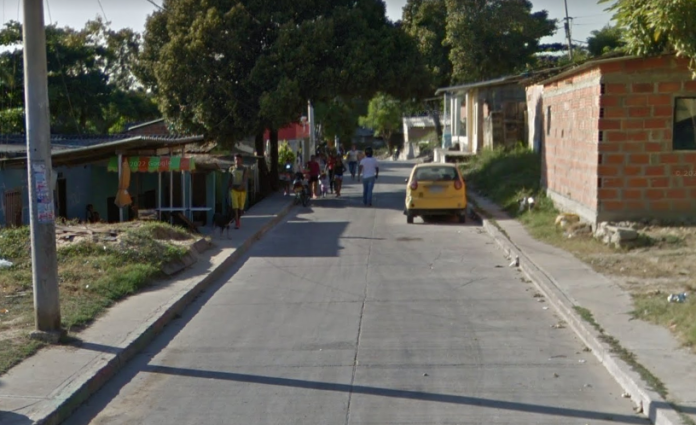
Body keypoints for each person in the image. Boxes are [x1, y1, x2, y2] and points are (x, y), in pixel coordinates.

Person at [228, 154, 248, 229]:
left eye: (238, 159)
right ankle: (237, 222)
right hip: (234, 190)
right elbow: (230, 179)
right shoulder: (231, 169)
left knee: (240, 208)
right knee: (235, 207)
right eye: (235, 159)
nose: (237, 161)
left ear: (241, 160)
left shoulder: (244, 169)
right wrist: (229, 188)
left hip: (242, 191)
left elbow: (244, 179)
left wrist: (241, 186)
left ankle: (238, 219)